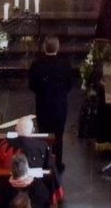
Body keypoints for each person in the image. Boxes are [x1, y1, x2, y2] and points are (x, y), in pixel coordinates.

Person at [28, 35, 74, 171]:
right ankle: (58, 163)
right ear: (58, 47)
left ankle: (44, 161)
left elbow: (32, 85)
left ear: (44, 47)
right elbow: (69, 85)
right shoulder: (65, 64)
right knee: (58, 135)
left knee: (43, 134)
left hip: (43, 104)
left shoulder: (36, 64)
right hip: (59, 105)